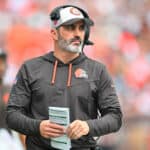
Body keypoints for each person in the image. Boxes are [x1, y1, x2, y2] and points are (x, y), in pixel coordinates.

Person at [6, 5, 122, 150]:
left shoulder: (97, 70)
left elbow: (115, 118)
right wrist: (38, 127)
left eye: (81, 28)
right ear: (54, 33)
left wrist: (87, 126)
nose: (77, 33)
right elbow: (12, 115)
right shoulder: (30, 68)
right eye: (70, 27)